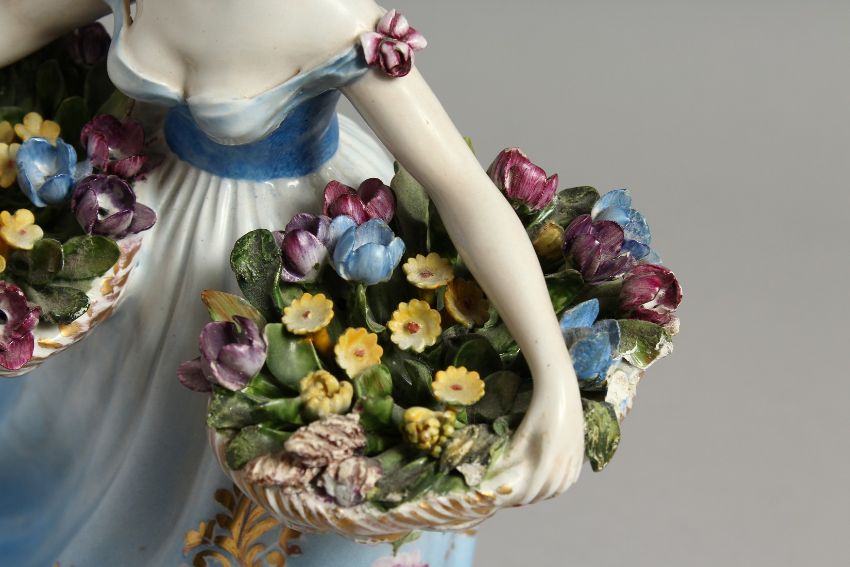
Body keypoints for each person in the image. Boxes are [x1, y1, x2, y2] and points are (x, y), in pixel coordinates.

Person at [0, 1, 585, 565]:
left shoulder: (336, 20)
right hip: (142, 219)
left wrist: (554, 377)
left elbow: (462, 189)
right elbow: (20, 18)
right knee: (88, 440)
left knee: (245, 461)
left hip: (290, 250)